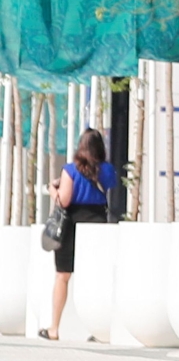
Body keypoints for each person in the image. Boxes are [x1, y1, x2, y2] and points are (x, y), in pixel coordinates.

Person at [39, 128, 118, 341]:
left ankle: (54, 327)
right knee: (95, 277)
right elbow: (111, 185)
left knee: (63, 276)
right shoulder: (107, 170)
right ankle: (98, 330)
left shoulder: (70, 170)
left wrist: (52, 189)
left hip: (71, 225)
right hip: (97, 223)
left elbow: (63, 201)